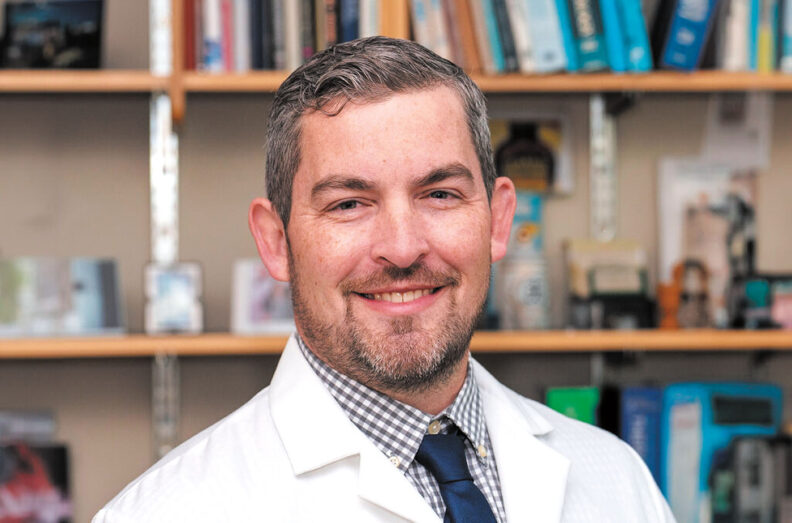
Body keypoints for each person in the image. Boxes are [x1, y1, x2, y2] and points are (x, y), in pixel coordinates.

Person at [94, 37, 675, 522]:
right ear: (276, 243)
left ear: (498, 221)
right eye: (349, 204)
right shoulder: (169, 510)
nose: (401, 249)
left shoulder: (618, 481)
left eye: (440, 194)